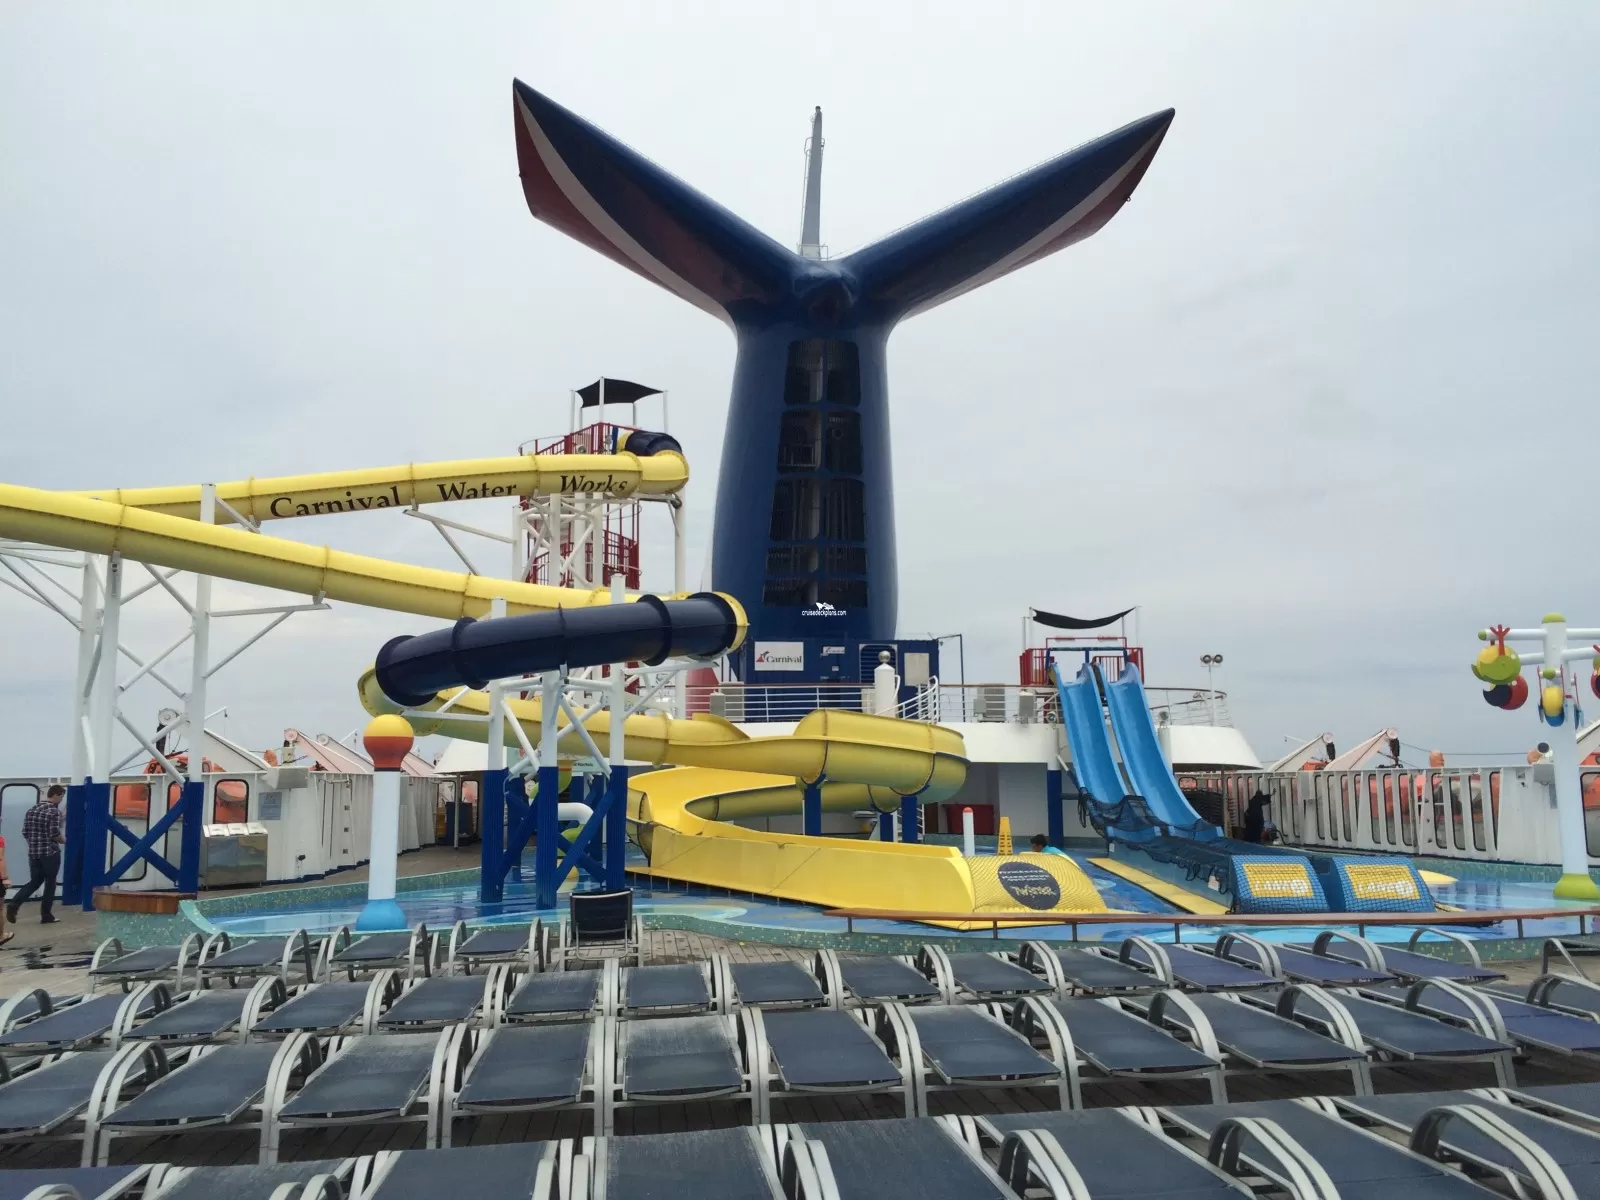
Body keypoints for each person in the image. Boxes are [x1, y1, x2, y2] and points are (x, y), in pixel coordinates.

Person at [8, 785, 65, 925]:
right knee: (50, 883)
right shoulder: (53, 811)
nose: (61, 800)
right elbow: (54, 834)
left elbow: (25, 832)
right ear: (56, 795)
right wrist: (64, 841)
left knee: (35, 881)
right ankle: (46, 915)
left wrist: (34, 844)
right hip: (50, 853)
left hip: (34, 853)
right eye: (61, 797)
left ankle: (14, 904)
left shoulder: (32, 810)